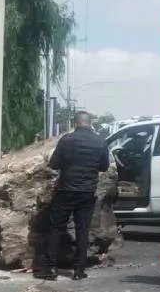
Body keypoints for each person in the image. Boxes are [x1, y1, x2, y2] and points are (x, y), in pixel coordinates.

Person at [37, 111, 110, 281]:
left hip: (66, 190)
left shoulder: (66, 140)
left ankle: (51, 268)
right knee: (82, 230)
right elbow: (104, 167)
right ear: (90, 123)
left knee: (56, 228)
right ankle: (79, 271)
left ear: (75, 123)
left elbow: (54, 164)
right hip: (87, 192)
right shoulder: (100, 142)